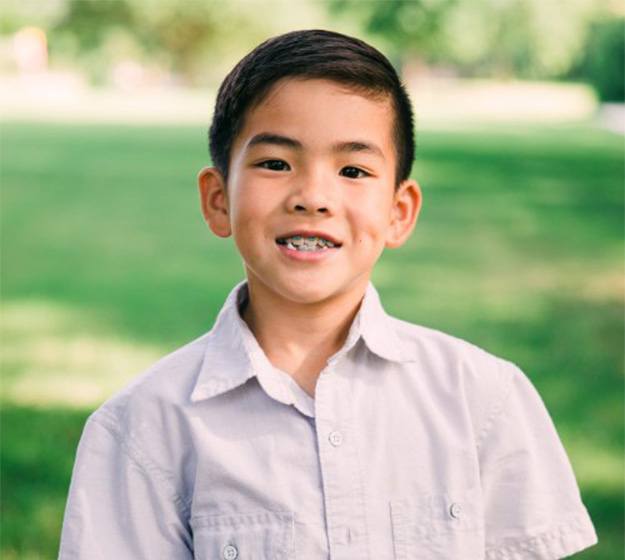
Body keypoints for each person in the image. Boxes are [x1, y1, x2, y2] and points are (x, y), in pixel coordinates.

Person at [58, 29, 598, 559]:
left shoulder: (484, 399)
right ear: (219, 200)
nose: (313, 196)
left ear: (398, 212)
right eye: (276, 163)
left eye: (353, 170)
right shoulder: (142, 427)